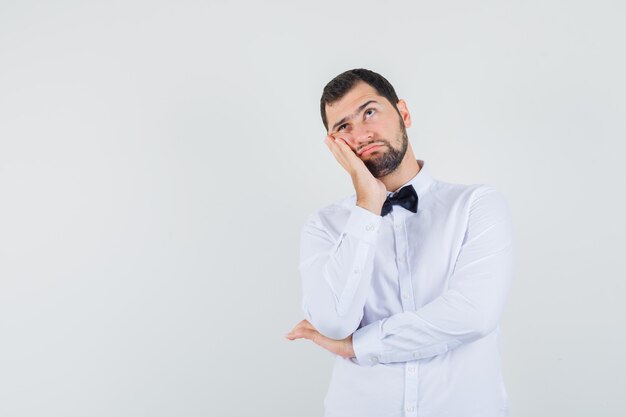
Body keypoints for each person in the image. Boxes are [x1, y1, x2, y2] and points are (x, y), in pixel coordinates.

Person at [285, 68, 515, 417]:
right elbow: (333, 322)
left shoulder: (476, 205)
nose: (360, 134)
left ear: (403, 113)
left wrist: (358, 346)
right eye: (343, 127)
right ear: (334, 145)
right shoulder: (325, 226)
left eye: (369, 112)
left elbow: (474, 314)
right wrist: (367, 206)